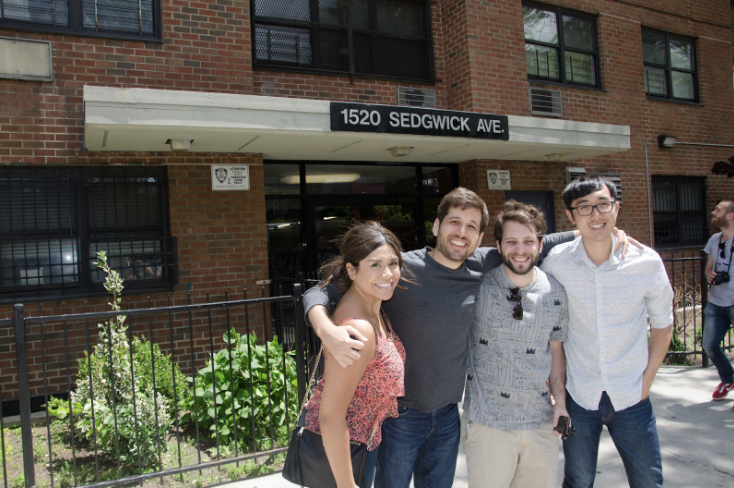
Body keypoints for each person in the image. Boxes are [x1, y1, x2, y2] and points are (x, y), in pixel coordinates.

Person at [305, 188, 638, 488]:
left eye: (471, 226)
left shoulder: (483, 263)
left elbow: (539, 239)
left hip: (449, 415)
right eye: (454, 222)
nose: (461, 233)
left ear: (480, 238)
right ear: (436, 226)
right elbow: (319, 291)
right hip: (400, 418)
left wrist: (601, 231)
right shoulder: (396, 268)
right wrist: (326, 329)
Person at [541, 175, 674, 488]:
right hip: (579, 394)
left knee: (648, 480)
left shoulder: (646, 262)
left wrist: (647, 380)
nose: (596, 214)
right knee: (578, 480)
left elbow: (663, 324)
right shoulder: (556, 264)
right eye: (584, 208)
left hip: (631, 394)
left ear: (617, 208)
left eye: (603, 205)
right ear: (572, 217)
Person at [462, 201, 568, 488]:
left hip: (541, 425)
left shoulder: (556, 292)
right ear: (498, 245)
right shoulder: (477, 288)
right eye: (511, 241)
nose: (520, 250)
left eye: (528, 241)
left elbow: (556, 351)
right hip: (488, 426)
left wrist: (562, 404)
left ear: (541, 245)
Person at [303, 221, 411, 488]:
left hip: (361, 447)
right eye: (375, 265)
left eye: (393, 264)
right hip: (342, 458)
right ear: (351, 270)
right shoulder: (357, 328)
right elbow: (331, 415)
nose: (388, 274)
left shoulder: (374, 309)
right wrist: (347, 485)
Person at [702, 200, 734, 404]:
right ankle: (728, 380)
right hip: (716, 301)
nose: (713, 213)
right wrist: (709, 275)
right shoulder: (715, 239)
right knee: (710, 345)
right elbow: (708, 267)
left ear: (730, 215)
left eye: (718, 210)